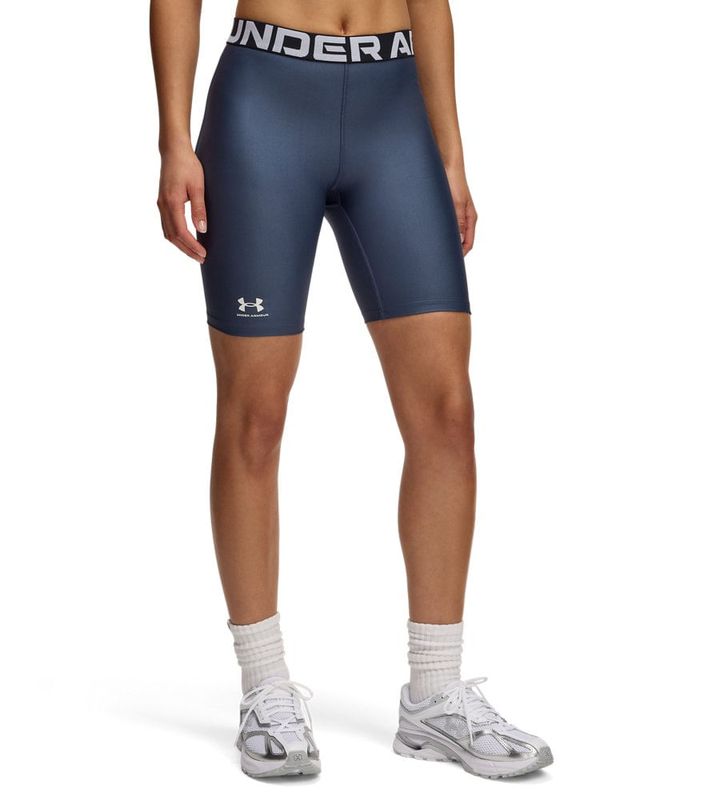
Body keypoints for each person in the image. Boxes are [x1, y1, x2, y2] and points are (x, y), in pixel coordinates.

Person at [150, 0, 552, 780]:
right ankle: (264, 685)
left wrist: (451, 155)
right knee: (255, 415)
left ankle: (435, 694)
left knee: (447, 413)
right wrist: (173, 140)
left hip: (394, 111)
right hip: (265, 102)